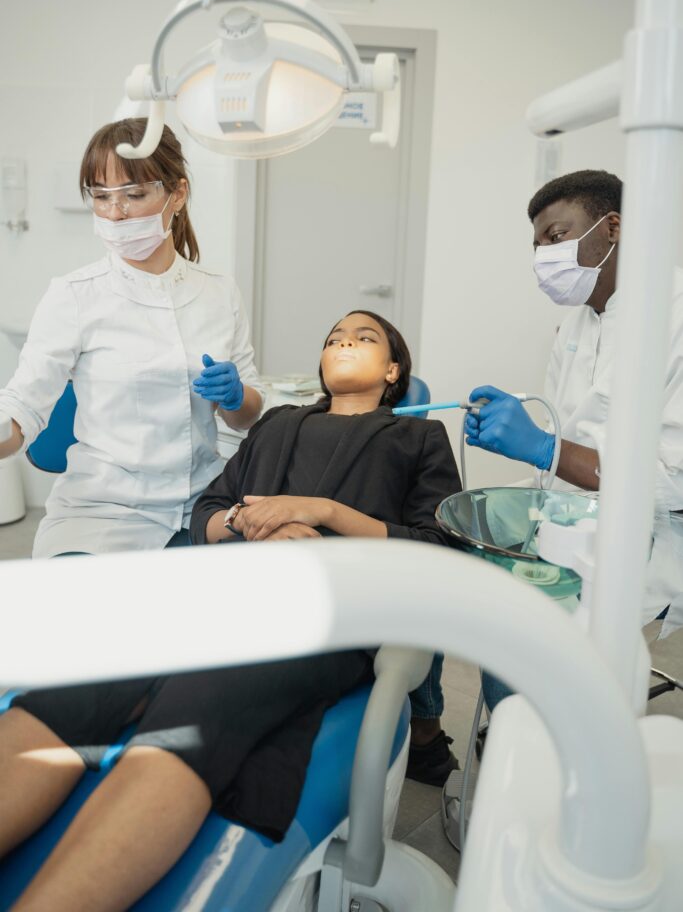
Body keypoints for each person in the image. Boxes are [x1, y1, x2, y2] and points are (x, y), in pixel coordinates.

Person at [0, 309, 461, 912]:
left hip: (325, 615)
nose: (344, 340)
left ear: (394, 369)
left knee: (195, 708)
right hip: (223, 591)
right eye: (333, 337)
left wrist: (322, 512)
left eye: (365, 337)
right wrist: (247, 521)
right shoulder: (276, 423)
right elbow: (211, 510)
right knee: (81, 683)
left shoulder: (418, 437)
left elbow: (440, 549)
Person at [0, 119, 264, 557]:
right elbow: (22, 406)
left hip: (205, 503)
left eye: (134, 195)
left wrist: (238, 397)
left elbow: (247, 417)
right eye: (101, 197)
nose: (115, 213)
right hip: (101, 510)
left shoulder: (219, 290)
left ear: (176, 194)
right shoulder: (74, 295)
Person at [465, 169, 683, 639]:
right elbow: (561, 451)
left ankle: (536, 705)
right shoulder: (576, 326)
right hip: (572, 510)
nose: (544, 257)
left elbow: (670, 486)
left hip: (658, 536)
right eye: (538, 247)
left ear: (613, 227)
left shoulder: (676, 315)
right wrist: (533, 448)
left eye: (556, 237)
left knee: (525, 627)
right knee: (454, 539)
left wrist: (546, 447)